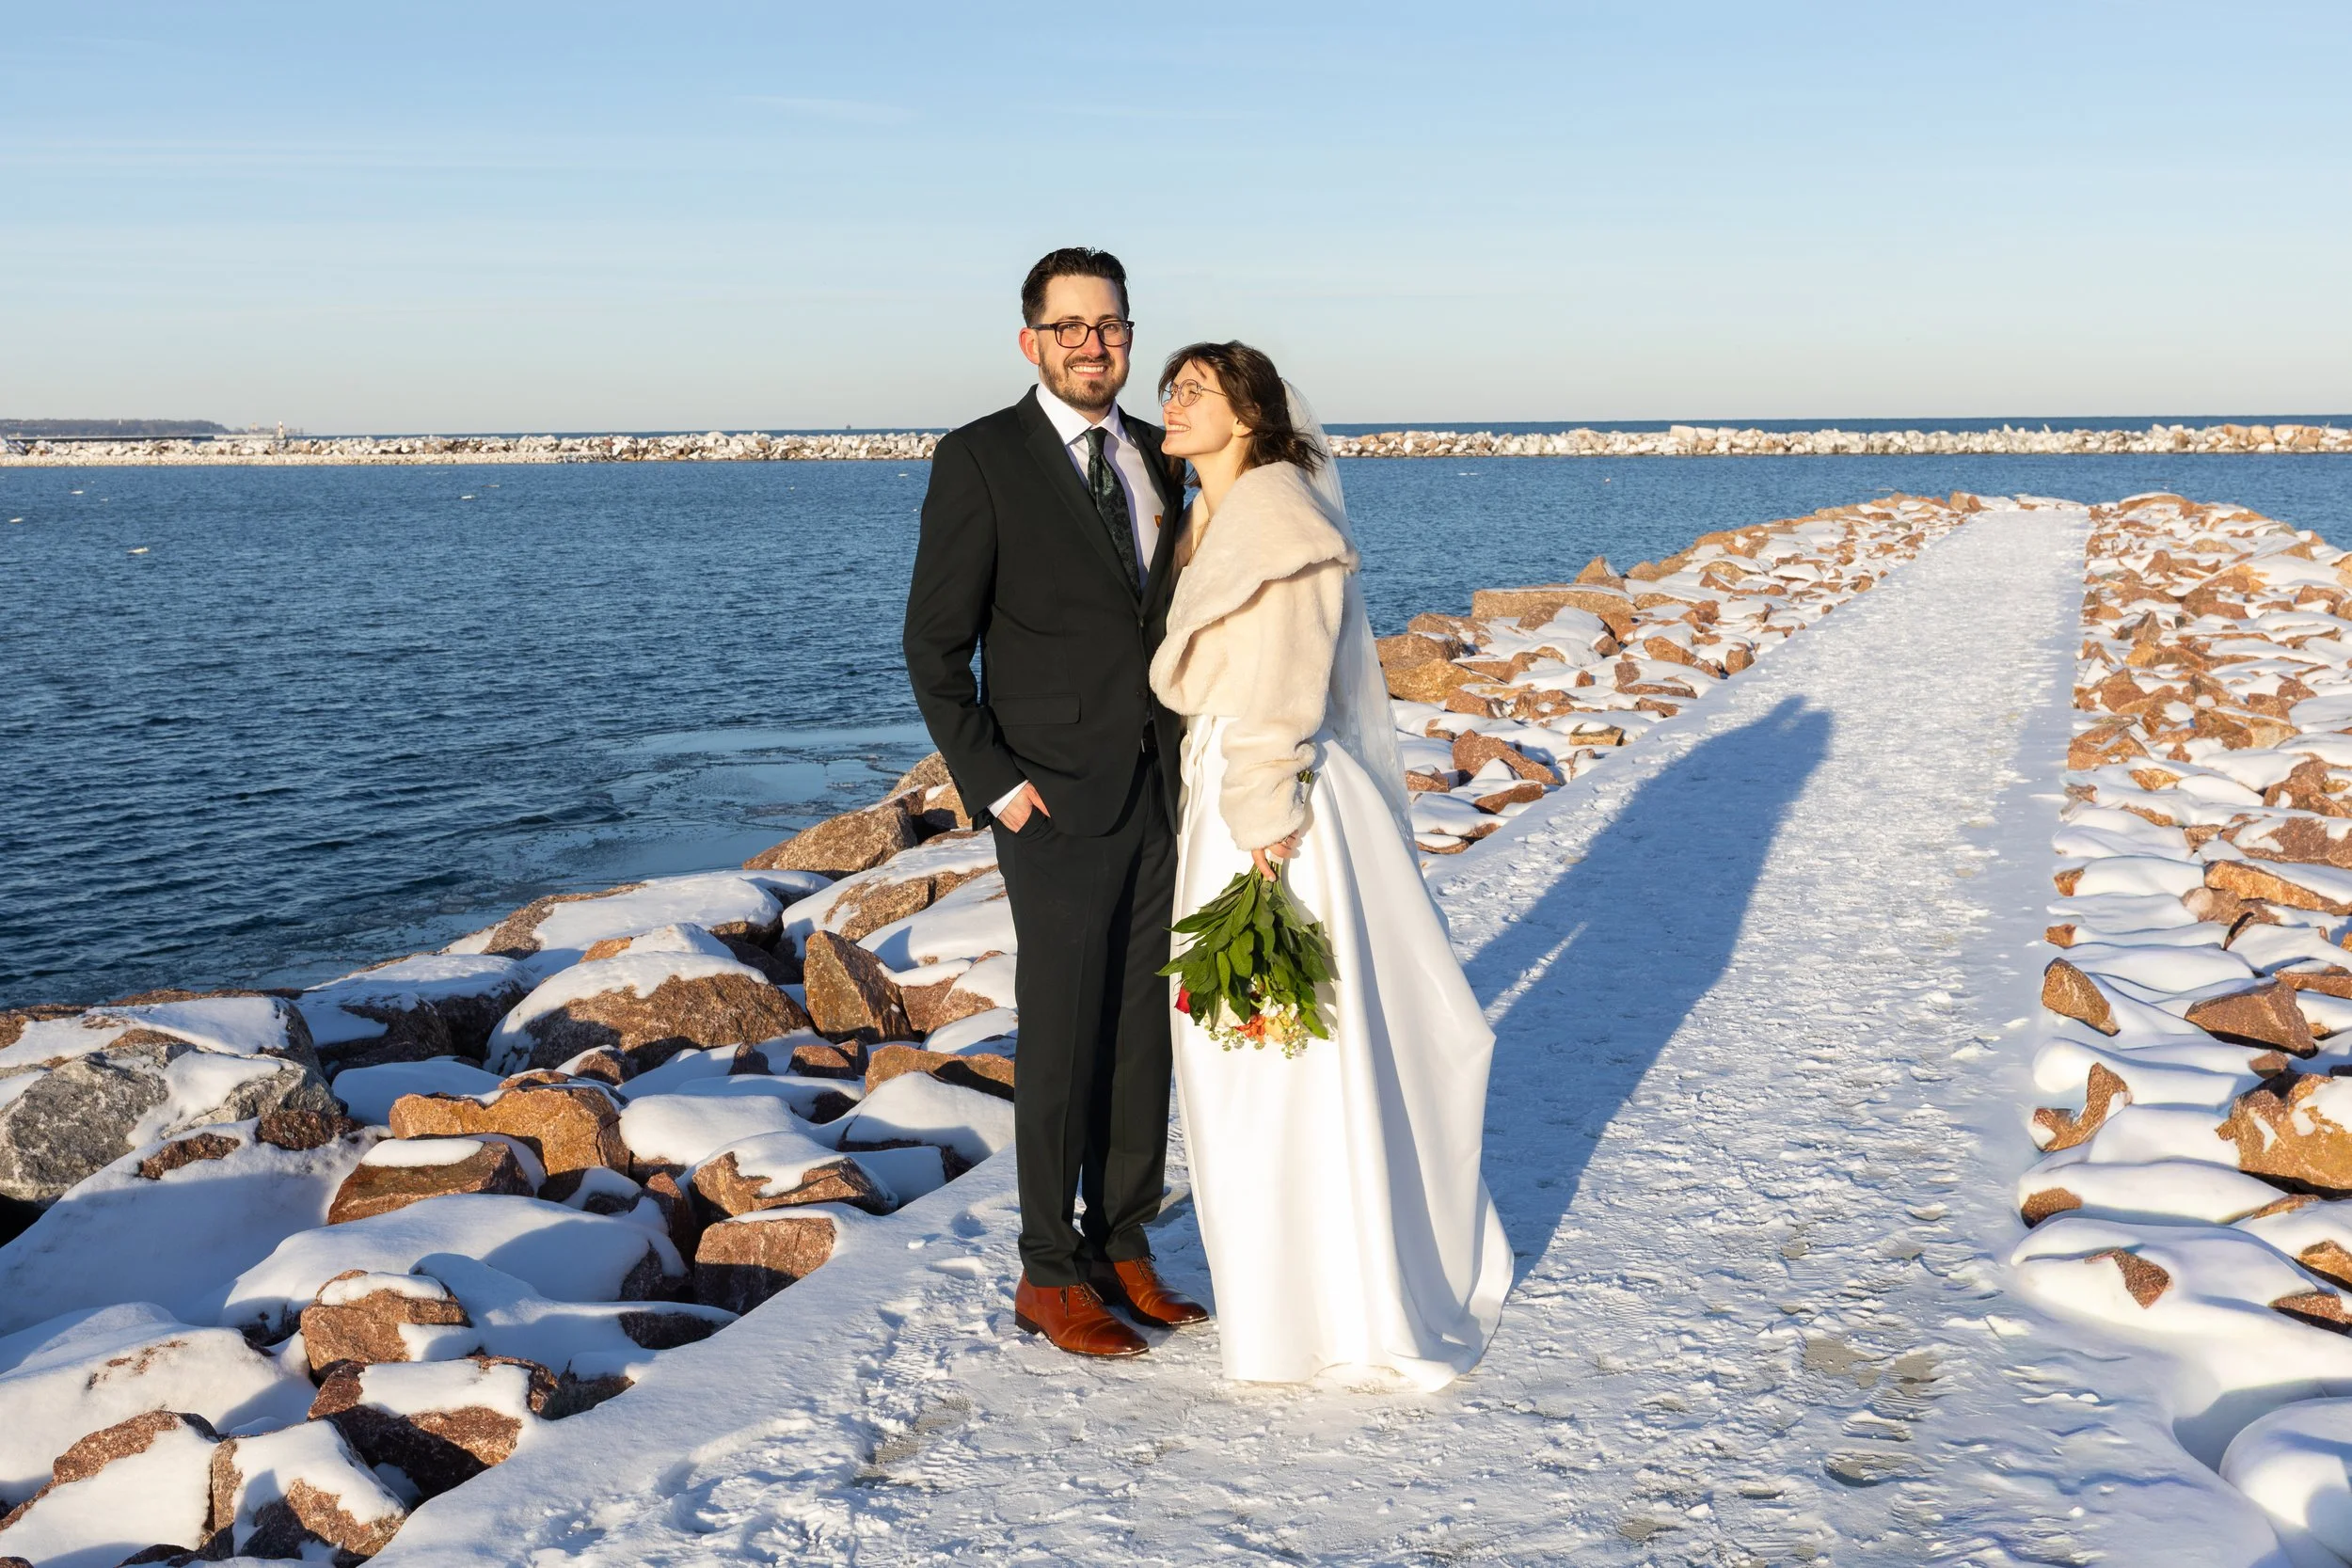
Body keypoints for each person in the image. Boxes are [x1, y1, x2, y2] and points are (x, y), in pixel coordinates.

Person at [1148, 341, 1511, 1388]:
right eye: (1169, 386)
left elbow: (1287, 685)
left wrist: (1259, 821)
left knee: (1277, 1052)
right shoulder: (1218, 517)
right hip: (1236, 791)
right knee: (1249, 1056)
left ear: (1251, 415)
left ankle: (1328, 1306)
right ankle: (1287, 1296)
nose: (1170, 402)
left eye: (1195, 390)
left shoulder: (1279, 522)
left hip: (1271, 810)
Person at [902, 246, 1209, 1358]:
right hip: (1052, 801)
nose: (1094, 344)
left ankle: (1124, 1242)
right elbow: (934, 647)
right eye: (1071, 325)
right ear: (1029, 337)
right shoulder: (980, 458)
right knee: (1066, 1034)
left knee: (1139, 1034)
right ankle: (1048, 1270)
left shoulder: (1159, 456)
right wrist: (997, 785)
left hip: (1163, 788)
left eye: (1111, 325)